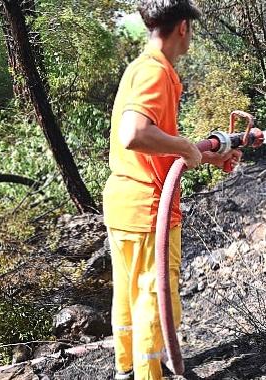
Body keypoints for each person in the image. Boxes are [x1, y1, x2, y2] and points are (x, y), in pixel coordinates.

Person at [102, 1, 242, 379]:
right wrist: (183, 147)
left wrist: (203, 154)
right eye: (191, 29)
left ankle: (127, 370)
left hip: (123, 200)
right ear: (183, 27)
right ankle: (151, 375)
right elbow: (134, 134)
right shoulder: (155, 73)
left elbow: (154, 141)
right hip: (149, 208)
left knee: (129, 295)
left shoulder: (141, 67)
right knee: (154, 299)